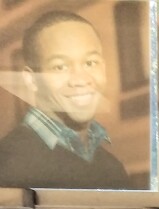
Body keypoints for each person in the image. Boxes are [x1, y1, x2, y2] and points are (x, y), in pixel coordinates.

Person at [0, 10, 132, 189]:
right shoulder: (7, 164)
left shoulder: (112, 168)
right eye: (60, 67)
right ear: (31, 80)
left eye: (90, 63)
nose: (81, 79)